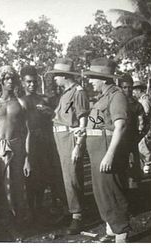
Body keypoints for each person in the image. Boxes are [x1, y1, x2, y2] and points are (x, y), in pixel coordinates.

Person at [83, 57, 130, 243]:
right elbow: (102, 123)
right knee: (101, 192)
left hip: (106, 151)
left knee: (112, 192)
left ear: (103, 79)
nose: (90, 81)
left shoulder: (116, 96)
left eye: (93, 78)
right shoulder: (103, 97)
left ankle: (122, 234)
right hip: (97, 153)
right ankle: (112, 230)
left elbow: (120, 126)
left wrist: (109, 155)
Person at [0, 65, 31, 241]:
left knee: (15, 189)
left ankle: (13, 227)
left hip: (15, 149)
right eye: (6, 78)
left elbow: (27, 131)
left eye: (12, 78)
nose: (10, 81)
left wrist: (27, 158)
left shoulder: (21, 103)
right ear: (0, 81)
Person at [46, 57, 89, 235]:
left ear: (64, 75)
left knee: (72, 177)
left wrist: (79, 145)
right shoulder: (66, 93)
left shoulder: (78, 92)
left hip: (70, 137)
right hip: (59, 137)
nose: (54, 78)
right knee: (64, 177)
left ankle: (77, 216)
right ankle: (70, 211)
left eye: (57, 75)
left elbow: (83, 119)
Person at [19, 65, 63, 224]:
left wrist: (49, 112)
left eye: (34, 82)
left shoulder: (44, 99)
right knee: (30, 179)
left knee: (46, 177)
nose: (32, 85)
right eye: (29, 82)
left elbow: (56, 118)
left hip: (46, 143)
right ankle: (31, 211)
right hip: (28, 143)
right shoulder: (20, 102)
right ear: (23, 83)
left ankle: (42, 208)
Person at [119, 74, 145, 187]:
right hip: (118, 140)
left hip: (132, 140)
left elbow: (145, 123)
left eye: (130, 87)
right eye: (125, 87)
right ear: (121, 87)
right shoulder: (117, 103)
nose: (127, 90)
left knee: (134, 167)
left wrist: (139, 136)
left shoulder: (137, 105)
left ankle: (135, 194)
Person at [132, 81, 151, 174]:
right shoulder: (140, 100)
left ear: (139, 90)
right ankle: (144, 164)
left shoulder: (144, 100)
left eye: (135, 90)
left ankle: (147, 164)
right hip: (140, 127)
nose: (134, 93)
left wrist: (141, 127)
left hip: (143, 128)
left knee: (143, 147)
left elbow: (145, 114)